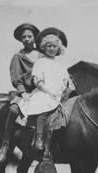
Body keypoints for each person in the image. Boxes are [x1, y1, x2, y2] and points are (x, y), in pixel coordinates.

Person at [17, 27, 75, 159]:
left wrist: (67, 88)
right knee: (43, 110)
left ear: (58, 48)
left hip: (58, 95)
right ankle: (38, 138)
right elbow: (38, 82)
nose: (52, 49)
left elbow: (66, 82)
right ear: (44, 47)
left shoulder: (61, 66)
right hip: (44, 93)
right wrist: (49, 92)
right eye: (49, 46)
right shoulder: (40, 62)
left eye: (54, 46)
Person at [0, 23, 43, 163]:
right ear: (20, 40)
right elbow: (17, 79)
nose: (27, 39)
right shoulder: (18, 57)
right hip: (26, 92)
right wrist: (23, 93)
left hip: (42, 91)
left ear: (35, 37)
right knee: (14, 110)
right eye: (24, 37)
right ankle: (6, 144)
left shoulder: (42, 54)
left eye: (29, 36)